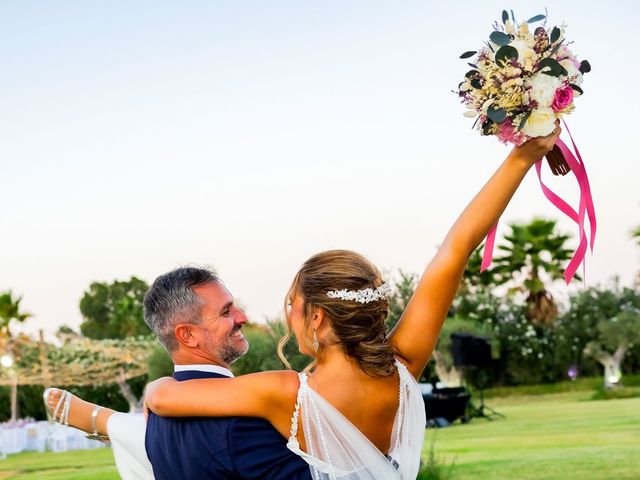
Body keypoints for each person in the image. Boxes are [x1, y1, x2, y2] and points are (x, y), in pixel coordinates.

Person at [144, 128, 563, 479]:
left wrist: (154, 384)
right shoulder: (404, 367)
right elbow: (457, 249)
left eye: (293, 304)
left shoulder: (284, 392)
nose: (286, 314)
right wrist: (521, 159)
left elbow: (164, 399)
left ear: (319, 316)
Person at [44, 266, 313, 480]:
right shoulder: (242, 420)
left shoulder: (157, 419)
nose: (242, 317)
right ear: (188, 334)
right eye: (226, 311)